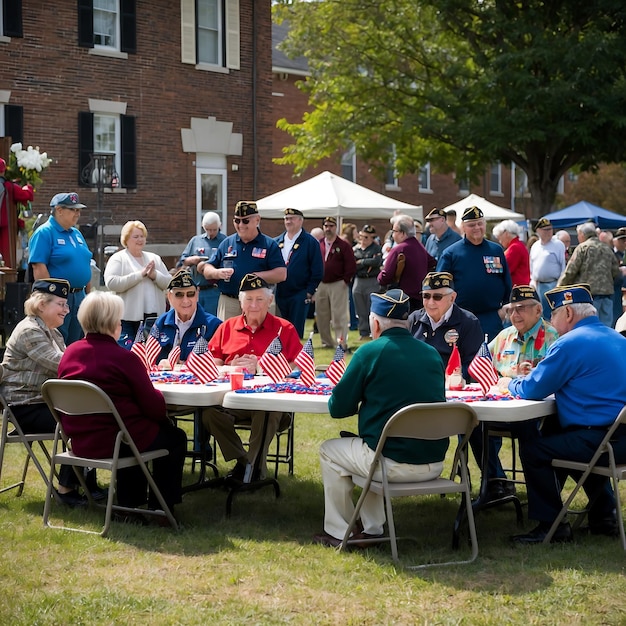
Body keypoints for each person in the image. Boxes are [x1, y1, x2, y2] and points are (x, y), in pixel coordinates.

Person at [313, 289, 449, 548]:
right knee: (367, 448)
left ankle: (341, 532)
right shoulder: (431, 353)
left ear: (374, 323)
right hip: (433, 462)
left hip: (391, 463)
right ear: (408, 322)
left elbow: (338, 408)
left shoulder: (369, 353)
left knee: (331, 451)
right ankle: (372, 529)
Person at [506, 284, 626, 544]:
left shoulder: (570, 343)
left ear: (569, 314)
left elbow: (532, 388)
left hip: (600, 440)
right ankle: (604, 517)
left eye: (554, 315)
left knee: (535, 450)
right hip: (619, 440)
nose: (551, 322)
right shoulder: (617, 338)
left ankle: (552, 525)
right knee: (559, 433)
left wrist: (511, 382)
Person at [57, 291, 187, 517]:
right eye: (119, 318)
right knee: (173, 437)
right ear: (112, 323)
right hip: (117, 441)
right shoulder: (124, 358)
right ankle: (162, 508)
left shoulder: (70, 353)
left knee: (133, 428)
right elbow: (155, 408)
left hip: (79, 440)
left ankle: (130, 505)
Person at [0, 278, 103, 506]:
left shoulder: (52, 332)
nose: (67, 310)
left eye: (67, 305)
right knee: (83, 420)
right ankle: (67, 490)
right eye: (61, 304)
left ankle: (87, 484)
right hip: (24, 409)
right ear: (41, 304)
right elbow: (62, 365)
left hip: (42, 403)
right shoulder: (29, 331)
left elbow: (69, 367)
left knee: (92, 415)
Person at [204, 274, 303, 480]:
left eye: (259, 299)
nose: (254, 305)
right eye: (248, 299)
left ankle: (252, 471)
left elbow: (299, 365)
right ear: (240, 303)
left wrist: (260, 366)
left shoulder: (284, 329)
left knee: (266, 412)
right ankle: (246, 463)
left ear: (270, 301)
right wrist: (229, 366)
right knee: (208, 414)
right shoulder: (227, 327)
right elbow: (212, 361)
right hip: (232, 401)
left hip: (271, 404)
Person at [198, 201, 286, 320]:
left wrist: (255, 276)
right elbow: (207, 268)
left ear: (257, 220)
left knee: (260, 337)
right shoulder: (227, 243)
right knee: (228, 337)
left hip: (258, 301)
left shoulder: (269, 244)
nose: (241, 225)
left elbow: (281, 274)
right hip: (230, 301)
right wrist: (217, 273)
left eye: (245, 221)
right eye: (237, 220)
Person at [437, 206, 512, 341]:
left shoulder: (496, 250)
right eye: (471, 225)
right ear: (463, 227)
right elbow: (439, 288)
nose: (477, 227)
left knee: (490, 357)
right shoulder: (451, 253)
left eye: (480, 223)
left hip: (492, 317)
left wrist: (503, 310)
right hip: (461, 318)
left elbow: (506, 281)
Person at [29, 192, 93, 344]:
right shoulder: (45, 232)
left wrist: (88, 295)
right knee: (58, 342)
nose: (77, 213)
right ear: (59, 210)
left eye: (79, 210)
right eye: (73, 210)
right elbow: (39, 267)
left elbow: (85, 263)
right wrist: (51, 298)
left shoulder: (76, 233)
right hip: (59, 297)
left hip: (79, 296)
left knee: (79, 342)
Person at [104, 220, 171, 348]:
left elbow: (169, 282)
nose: (140, 240)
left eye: (142, 236)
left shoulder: (154, 258)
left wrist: (154, 275)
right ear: (126, 239)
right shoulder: (119, 258)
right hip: (126, 319)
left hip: (153, 319)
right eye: (136, 237)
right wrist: (140, 275)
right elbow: (111, 283)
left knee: (152, 354)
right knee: (127, 353)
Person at [408, 271, 482, 381]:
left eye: (437, 297)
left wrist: (453, 376)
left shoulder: (468, 322)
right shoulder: (413, 320)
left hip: (451, 387)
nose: (430, 302)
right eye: (426, 296)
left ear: (452, 298)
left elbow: (474, 365)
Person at [558, 221, 620, 327]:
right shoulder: (606, 248)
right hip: (607, 294)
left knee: (590, 326)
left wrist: (559, 287)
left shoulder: (582, 248)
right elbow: (615, 270)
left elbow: (570, 271)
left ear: (582, 234)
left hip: (588, 296)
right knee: (606, 327)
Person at [152, 270, 221, 363]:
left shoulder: (213, 325)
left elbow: (217, 362)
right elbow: (151, 358)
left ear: (197, 295)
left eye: (190, 294)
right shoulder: (161, 323)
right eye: (179, 295)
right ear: (169, 296)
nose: (185, 300)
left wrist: (183, 365)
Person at [489, 285, 559, 378]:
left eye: (520, 309)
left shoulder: (553, 337)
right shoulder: (504, 336)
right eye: (510, 310)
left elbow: (553, 376)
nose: (514, 315)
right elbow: (480, 362)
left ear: (538, 310)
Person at [274, 208, 323, 338]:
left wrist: (309, 291)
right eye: (286, 218)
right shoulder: (276, 242)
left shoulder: (310, 242)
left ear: (301, 221)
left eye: (292, 218)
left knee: (295, 333)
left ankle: (294, 358)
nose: (288, 221)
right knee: (278, 332)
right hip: (278, 292)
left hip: (299, 293)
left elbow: (317, 269)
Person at [378, 214, 436, 312]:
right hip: (420, 297)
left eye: (394, 231)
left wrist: (379, 276)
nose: (392, 234)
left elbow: (385, 276)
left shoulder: (399, 249)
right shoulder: (420, 247)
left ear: (402, 233)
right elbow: (433, 263)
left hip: (402, 299)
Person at [316, 216, 357, 349]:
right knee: (322, 315)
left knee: (339, 315)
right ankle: (327, 342)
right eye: (326, 226)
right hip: (321, 283)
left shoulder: (343, 245)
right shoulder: (319, 243)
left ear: (336, 227)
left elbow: (351, 264)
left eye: (331, 226)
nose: (328, 229)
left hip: (338, 283)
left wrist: (345, 280)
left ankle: (341, 342)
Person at [176, 211, 226, 316]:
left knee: (212, 322)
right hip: (196, 289)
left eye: (214, 229)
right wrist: (192, 260)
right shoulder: (195, 240)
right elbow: (183, 261)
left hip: (215, 290)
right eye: (208, 229)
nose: (211, 232)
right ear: (202, 226)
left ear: (219, 226)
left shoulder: (225, 241)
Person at [529, 218, 566, 320]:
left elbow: (563, 266)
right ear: (538, 231)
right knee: (540, 313)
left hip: (553, 284)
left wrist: (559, 285)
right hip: (538, 285)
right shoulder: (535, 246)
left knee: (554, 313)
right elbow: (532, 266)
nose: (549, 232)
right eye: (545, 230)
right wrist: (532, 281)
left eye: (550, 229)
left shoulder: (558, 245)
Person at [0, 157, 34, 265]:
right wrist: (28, 185)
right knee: (6, 258)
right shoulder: (9, 187)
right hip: (4, 227)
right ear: (3, 170)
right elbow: (26, 195)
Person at [352, 225, 383, 340]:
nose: (363, 240)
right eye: (361, 237)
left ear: (372, 238)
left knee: (371, 307)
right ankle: (363, 332)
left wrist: (362, 262)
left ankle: (373, 332)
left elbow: (376, 262)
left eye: (366, 237)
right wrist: (365, 263)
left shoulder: (376, 248)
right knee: (360, 308)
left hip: (372, 280)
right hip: (359, 280)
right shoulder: (355, 249)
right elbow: (353, 264)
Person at [492, 219, 530, 287]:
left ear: (506, 233)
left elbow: (503, 268)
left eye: (500, 237)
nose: (500, 241)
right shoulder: (519, 245)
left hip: (517, 289)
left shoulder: (514, 248)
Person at [612, 227, 626, 325]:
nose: (625, 243)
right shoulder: (611, 253)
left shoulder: (622, 254)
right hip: (615, 289)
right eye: (623, 241)